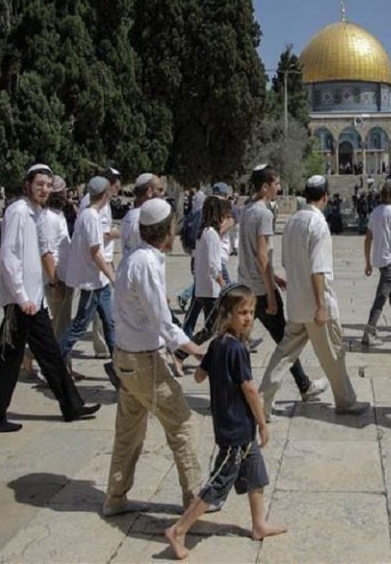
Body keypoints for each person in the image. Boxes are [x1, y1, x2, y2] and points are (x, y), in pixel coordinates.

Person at [165, 285, 287, 558]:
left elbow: (199, 376)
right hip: (236, 429)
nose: (248, 317)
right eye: (242, 312)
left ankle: (259, 525)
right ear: (227, 314)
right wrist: (263, 423)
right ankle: (178, 529)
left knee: (256, 475)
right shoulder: (237, 349)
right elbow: (250, 388)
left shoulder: (218, 343)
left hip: (237, 429)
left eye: (251, 312)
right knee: (218, 484)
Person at [104, 199, 207, 517]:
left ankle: (116, 497)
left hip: (126, 357)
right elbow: (162, 320)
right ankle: (195, 499)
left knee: (129, 431)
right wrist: (195, 348)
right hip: (143, 360)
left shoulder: (132, 258)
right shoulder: (145, 263)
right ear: (167, 230)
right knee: (182, 424)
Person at [0, 164, 100, 433]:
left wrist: (39, 298)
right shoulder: (18, 212)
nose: (45, 189)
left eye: (48, 185)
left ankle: (72, 406)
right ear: (28, 185)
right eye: (40, 184)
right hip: (20, 302)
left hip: (35, 302)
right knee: (7, 361)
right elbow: (9, 258)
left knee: (51, 356)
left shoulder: (37, 214)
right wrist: (21, 297)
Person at [258, 176, 368, 418]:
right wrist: (320, 306)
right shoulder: (318, 224)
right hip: (317, 304)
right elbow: (318, 269)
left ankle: (262, 400)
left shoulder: (293, 222)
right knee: (334, 353)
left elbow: (286, 262)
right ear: (325, 196)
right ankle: (346, 401)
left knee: (284, 354)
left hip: (297, 303)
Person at [238, 165, 327, 405]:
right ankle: (303, 385)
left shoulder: (246, 210)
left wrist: (275, 277)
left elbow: (252, 254)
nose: (279, 187)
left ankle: (237, 389)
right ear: (265, 186)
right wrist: (270, 293)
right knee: (286, 342)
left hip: (245, 284)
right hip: (259, 289)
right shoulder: (264, 214)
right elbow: (262, 255)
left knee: (239, 341)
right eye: (276, 183)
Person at [59, 176, 117, 372]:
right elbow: (95, 252)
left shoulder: (86, 214)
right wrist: (111, 275)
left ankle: (119, 367)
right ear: (106, 193)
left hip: (99, 282)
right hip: (93, 281)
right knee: (79, 325)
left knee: (110, 323)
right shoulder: (91, 216)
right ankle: (55, 363)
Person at [22, 176, 76, 379]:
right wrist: (54, 282)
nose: (66, 196)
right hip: (56, 280)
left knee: (60, 325)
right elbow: (47, 253)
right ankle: (58, 371)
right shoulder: (47, 219)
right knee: (61, 327)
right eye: (63, 192)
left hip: (65, 278)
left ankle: (31, 354)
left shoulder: (58, 215)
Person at [361, 180, 391, 347]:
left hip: (380, 260)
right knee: (382, 297)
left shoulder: (375, 212)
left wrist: (368, 262)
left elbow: (367, 239)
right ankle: (369, 331)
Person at [193, 196, 229, 333]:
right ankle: (182, 352)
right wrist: (222, 282)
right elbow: (213, 263)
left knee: (216, 326)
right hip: (211, 289)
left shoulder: (203, 232)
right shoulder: (212, 234)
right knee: (212, 328)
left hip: (204, 287)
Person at [120, 173, 162, 258]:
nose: (162, 194)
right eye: (160, 190)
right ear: (149, 192)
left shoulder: (129, 216)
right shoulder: (143, 219)